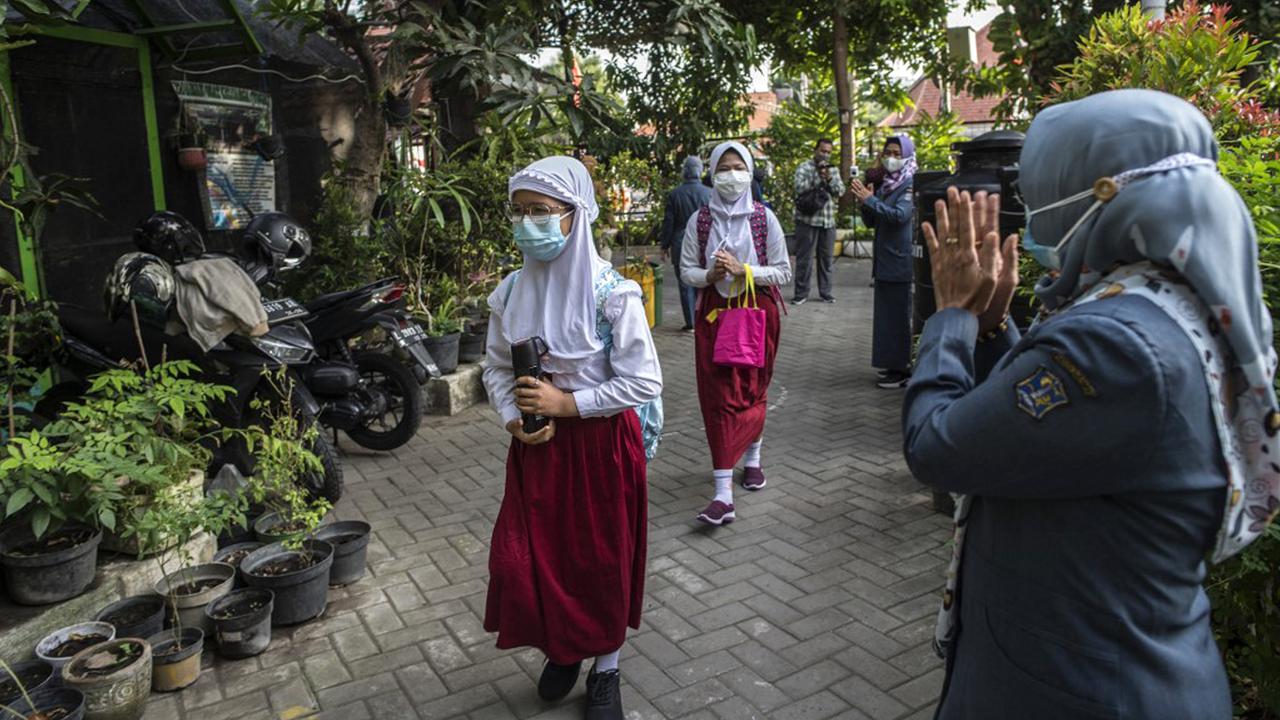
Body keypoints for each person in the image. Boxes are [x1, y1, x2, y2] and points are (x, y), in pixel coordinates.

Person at [904, 89, 1277, 719]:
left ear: (1100, 192)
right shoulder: (1161, 303)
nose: (1031, 216)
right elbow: (1049, 431)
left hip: (1080, 689)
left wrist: (951, 316)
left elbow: (936, 446)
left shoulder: (1119, 343)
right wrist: (995, 330)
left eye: (1040, 194)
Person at [481, 156, 663, 720]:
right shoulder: (510, 292)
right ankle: (563, 649)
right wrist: (512, 414)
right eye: (519, 213)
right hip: (537, 450)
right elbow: (493, 367)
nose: (527, 224)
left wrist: (569, 403)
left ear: (574, 215)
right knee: (531, 560)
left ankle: (604, 667)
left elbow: (644, 380)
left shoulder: (613, 294)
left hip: (601, 449)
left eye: (541, 212)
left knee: (600, 563)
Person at [680, 141, 792, 525]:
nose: (730, 175)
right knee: (719, 397)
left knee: (752, 389)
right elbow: (686, 271)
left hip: (757, 315)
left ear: (749, 171)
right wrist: (709, 275)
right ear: (711, 173)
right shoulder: (701, 220)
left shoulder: (763, 218)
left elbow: (782, 271)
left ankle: (754, 458)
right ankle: (723, 493)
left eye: (737, 167)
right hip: (714, 316)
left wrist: (744, 270)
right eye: (723, 168)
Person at [851, 135, 917, 389]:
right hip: (885, 261)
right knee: (886, 318)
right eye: (887, 152)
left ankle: (902, 369)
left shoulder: (908, 185)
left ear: (908, 156)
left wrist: (870, 200)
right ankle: (891, 365)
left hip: (900, 261)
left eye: (897, 153)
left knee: (899, 317)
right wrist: (865, 202)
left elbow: (899, 216)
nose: (891, 158)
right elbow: (873, 221)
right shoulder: (886, 185)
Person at [660, 155, 713, 332]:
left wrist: (664, 245)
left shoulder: (675, 194)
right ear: (700, 171)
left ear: (684, 171)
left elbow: (669, 222)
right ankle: (704, 317)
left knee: (685, 284)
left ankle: (691, 322)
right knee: (704, 280)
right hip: (704, 242)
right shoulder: (709, 193)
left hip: (680, 243)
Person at [792, 138, 845, 305]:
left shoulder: (833, 170)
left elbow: (840, 191)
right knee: (804, 259)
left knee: (826, 259)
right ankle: (801, 294)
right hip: (807, 220)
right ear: (815, 150)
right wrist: (817, 177)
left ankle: (826, 293)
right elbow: (798, 187)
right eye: (822, 151)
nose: (825, 155)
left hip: (827, 221)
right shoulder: (805, 167)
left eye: (828, 152)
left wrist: (829, 179)